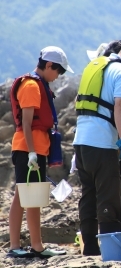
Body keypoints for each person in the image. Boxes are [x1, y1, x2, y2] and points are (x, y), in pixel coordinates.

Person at [73, 39, 121, 255]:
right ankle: (111, 250)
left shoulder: (94, 66)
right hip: (102, 143)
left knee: (88, 195)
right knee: (109, 196)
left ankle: (89, 248)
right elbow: (120, 105)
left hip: (81, 142)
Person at [8, 46, 73, 258]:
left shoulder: (40, 84)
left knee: (30, 197)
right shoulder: (30, 86)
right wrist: (33, 153)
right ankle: (18, 246)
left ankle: (35, 245)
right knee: (24, 197)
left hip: (35, 149)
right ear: (48, 65)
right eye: (59, 71)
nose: (58, 76)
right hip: (28, 150)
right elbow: (27, 123)